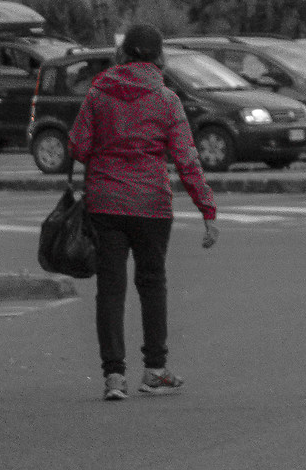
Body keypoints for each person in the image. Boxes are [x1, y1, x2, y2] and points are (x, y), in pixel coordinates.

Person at [67, 25, 218, 401]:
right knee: (152, 284)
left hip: (105, 202)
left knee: (110, 288)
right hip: (152, 205)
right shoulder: (167, 100)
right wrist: (206, 208)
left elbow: (78, 146)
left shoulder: (99, 92)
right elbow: (186, 159)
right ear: (158, 56)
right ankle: (154, 370)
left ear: (123, 54)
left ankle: (114, 377)